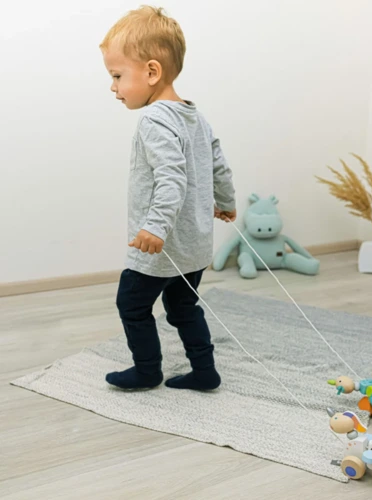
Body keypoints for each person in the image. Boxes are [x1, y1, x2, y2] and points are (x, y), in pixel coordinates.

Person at [99, 5, 236, 391]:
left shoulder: (153, 119)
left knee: (132, 305)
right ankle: (205, 371)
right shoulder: (196, 116)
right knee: (183, 307)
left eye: (117, 76)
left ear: (152, 72)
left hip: (159, 247)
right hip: (194, 246)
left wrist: (155, 228)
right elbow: (219, 166)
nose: (113, 87)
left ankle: (147, 370)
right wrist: (226, 202)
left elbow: (171, 179)